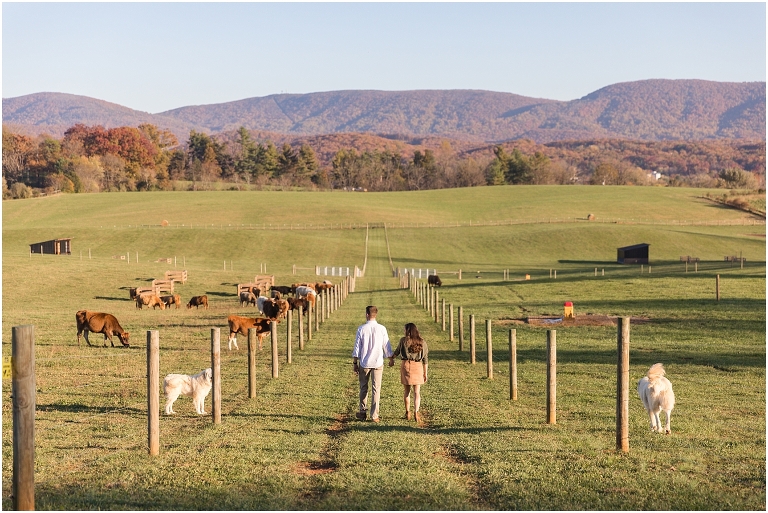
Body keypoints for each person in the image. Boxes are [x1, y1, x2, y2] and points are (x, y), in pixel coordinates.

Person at [351, 305, 394, 422]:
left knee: (363, 387)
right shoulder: (382, 328)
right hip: (378, 362)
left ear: (366, 314)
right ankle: (374, 415)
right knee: (376, 389)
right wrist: (390, 358)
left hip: (364, 363)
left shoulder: (361, 329)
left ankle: (362, 411)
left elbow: (357, 348)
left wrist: (355, 362)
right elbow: (386, 345)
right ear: (376, 314)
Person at [391, 323, 428, 423]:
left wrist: (391, 358)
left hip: (406, 365)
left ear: (407, 331)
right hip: (418, 366)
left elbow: (397, 352)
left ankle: (407, 412)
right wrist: (425, 373)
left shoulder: (403, 341)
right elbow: (425, 359)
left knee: (406, 391)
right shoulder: (422, 342)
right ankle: (416, 412)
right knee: (417, 392)